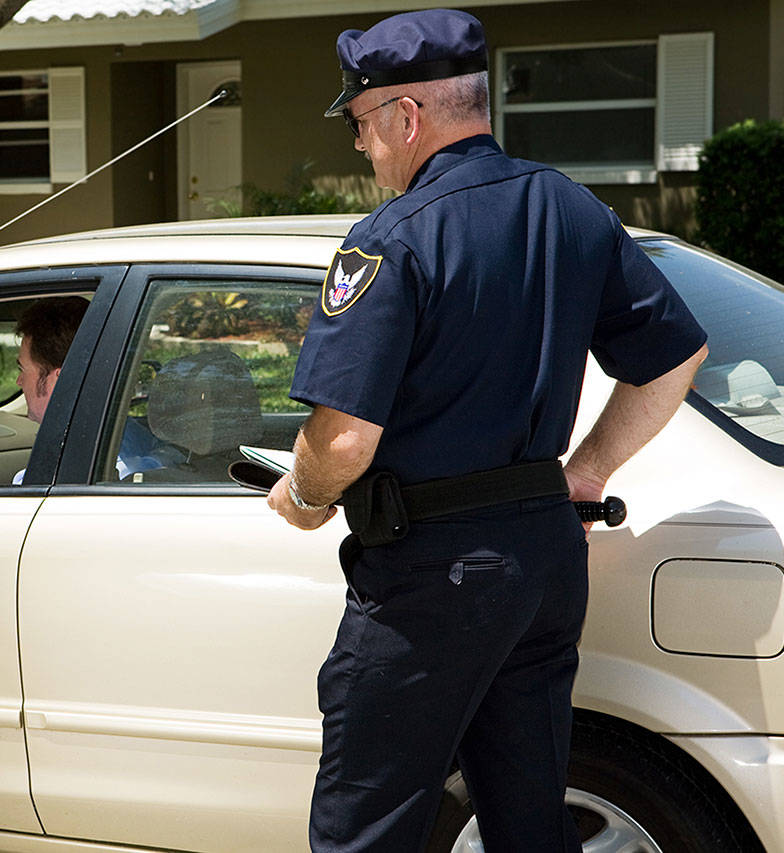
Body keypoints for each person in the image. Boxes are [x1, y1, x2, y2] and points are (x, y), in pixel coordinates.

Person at [266, 9, 708, 852]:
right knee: (528, 823)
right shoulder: (573, 210)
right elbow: (675, 355)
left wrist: (305, 494)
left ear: (406, 115)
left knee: (367, 829)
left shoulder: (391, 240)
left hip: (432, 577)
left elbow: (346, 440)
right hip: (542, 563)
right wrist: (586, 471)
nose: (360, 147)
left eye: (361, 124)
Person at [12, 296, 166, 482]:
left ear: (62, 380)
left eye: (23, 369)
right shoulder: (135, 437)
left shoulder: (62, 474)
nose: (19, 381)